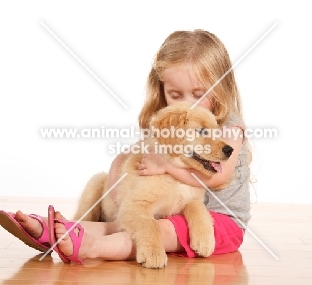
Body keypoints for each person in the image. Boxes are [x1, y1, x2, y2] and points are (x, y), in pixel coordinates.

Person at [0, 29, 251, 264]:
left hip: (222, 222)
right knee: (121, 225)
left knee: (162, 229)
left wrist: (165, 165)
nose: (187, 105)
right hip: (174, 214)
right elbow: (134, 157)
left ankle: (92, 248)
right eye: (176, 95)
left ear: (220, 88)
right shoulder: (170, 126)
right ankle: (53, 229)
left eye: (198, 95)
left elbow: (219, 176)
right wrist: (118, 172)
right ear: (162, 89)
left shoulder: (230, 126)